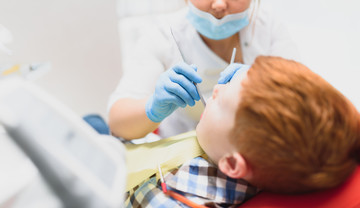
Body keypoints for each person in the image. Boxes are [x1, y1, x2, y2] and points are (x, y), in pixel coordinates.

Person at [125, 56, 360, 207]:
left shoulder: (185, 198)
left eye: (221, 100)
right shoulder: (239, 148)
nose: (216, 89)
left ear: (233, 165)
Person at [108, 0, 299, 140]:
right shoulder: (163, 36)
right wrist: (153, 107)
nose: (219, 4)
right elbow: (118, 123)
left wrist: (265, 85)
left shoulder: (268, 29)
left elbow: (305, 102)